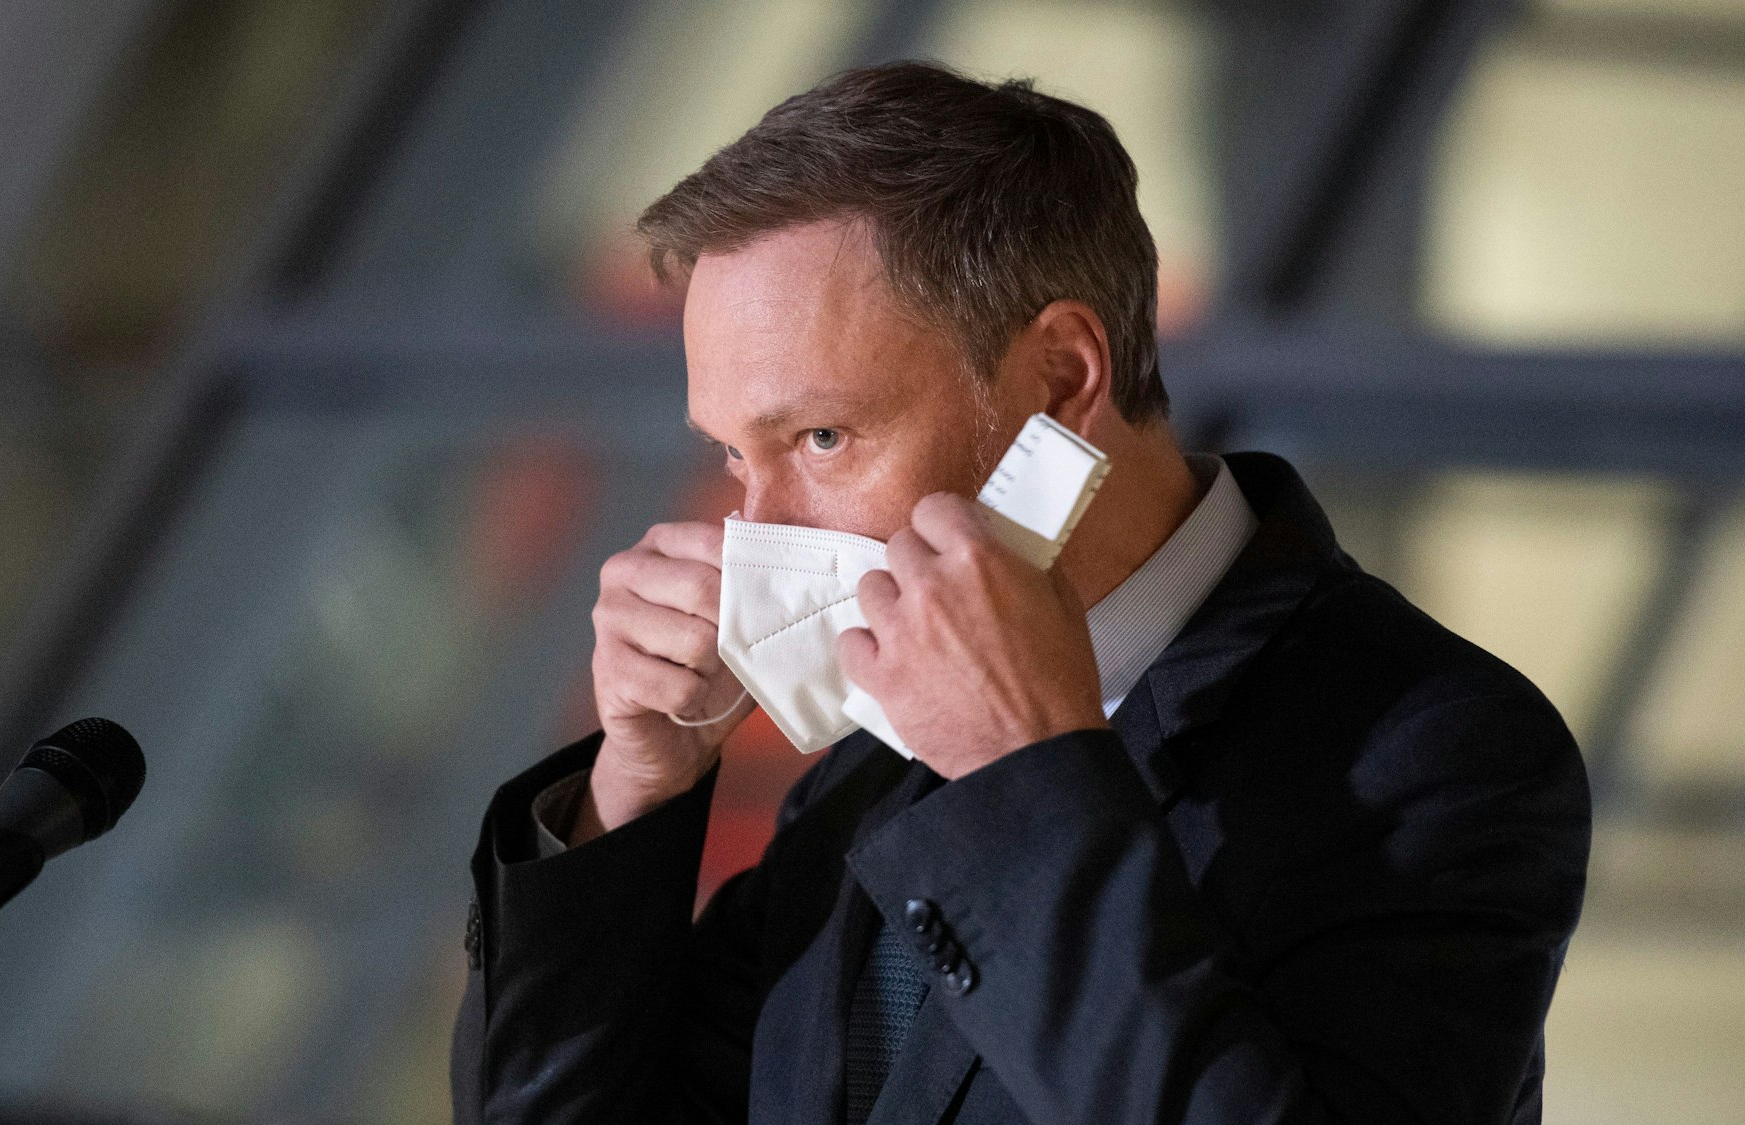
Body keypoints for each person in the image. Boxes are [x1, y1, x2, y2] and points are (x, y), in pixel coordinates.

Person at [450, 61, 1590, 1124]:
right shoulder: (860, 778)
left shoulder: (1436, 750)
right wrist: (631, 793)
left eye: (823, 435)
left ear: (1061, 380)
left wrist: (1021, 777)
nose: (756, 526)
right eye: (739, 455)